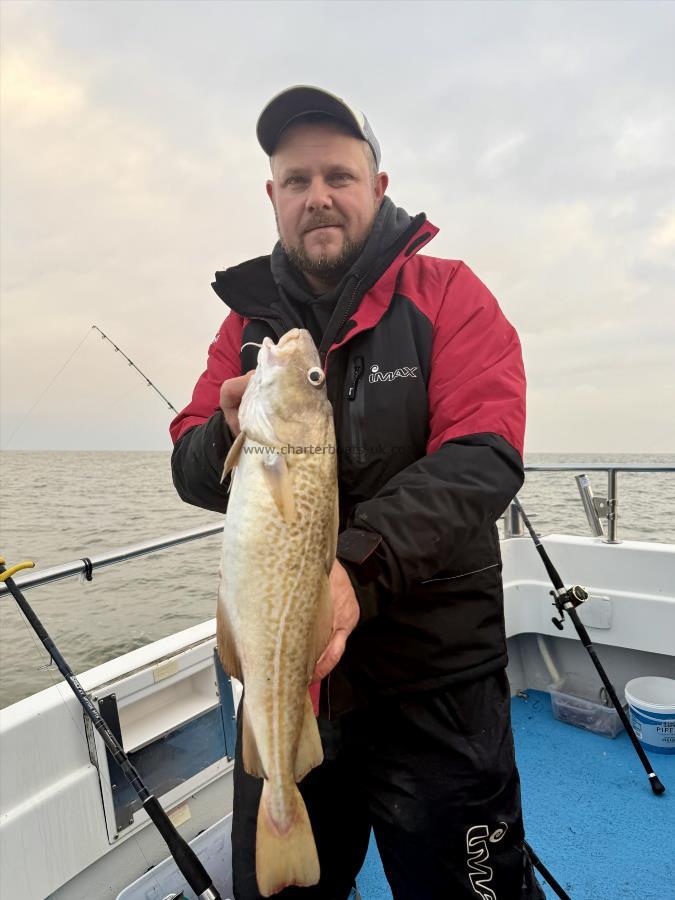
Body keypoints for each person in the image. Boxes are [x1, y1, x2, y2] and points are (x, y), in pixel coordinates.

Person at [170, 85, 544, 900]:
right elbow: (190, 469)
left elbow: (481, 456)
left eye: (338, 175)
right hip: (290, 688)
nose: (318, 197)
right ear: (272, 197)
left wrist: (350, 572)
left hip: (436, 686)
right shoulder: (245, 331)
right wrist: (220, 433)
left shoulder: (448, 295)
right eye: (296, 181)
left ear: (378, 185)